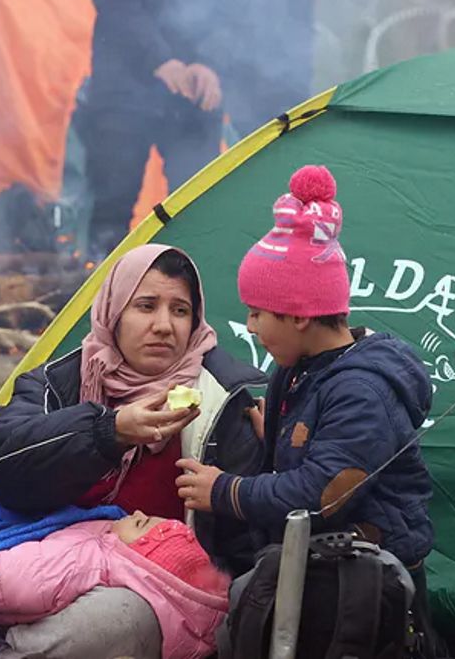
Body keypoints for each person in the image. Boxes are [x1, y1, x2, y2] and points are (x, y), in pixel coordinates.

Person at [0, 244, 263, 658]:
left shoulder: (221, 402)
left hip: (122, 589)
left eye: (180, 310)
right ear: (113, 312)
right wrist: (107, 432)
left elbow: (239, 549)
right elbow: (2, 461)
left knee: (122, 618)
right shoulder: (61, 381)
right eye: (146, 306)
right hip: (18, 561)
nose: (165, 326)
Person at [174, 165, 440, 649]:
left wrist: (224, 490)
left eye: (256, 313)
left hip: (369, 586)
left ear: (298, 314)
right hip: (320, 569)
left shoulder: (363, 390)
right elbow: (316, 447)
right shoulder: (297, 369)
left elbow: (323, 494)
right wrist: (271, 436)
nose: (250, 327)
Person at [0, 499, 229, 659]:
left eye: (139, 522)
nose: (135, 511)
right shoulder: (103, 536)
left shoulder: (92, 559)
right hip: (0, 586)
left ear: (140, 560)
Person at [82, 0, 227, 257]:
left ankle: (194, 284)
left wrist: (210, 63)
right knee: (111, 209)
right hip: (123, 86)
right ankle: (102, 286)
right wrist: (158, 58)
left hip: (194, 92)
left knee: (197, 203)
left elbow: (234, 2)